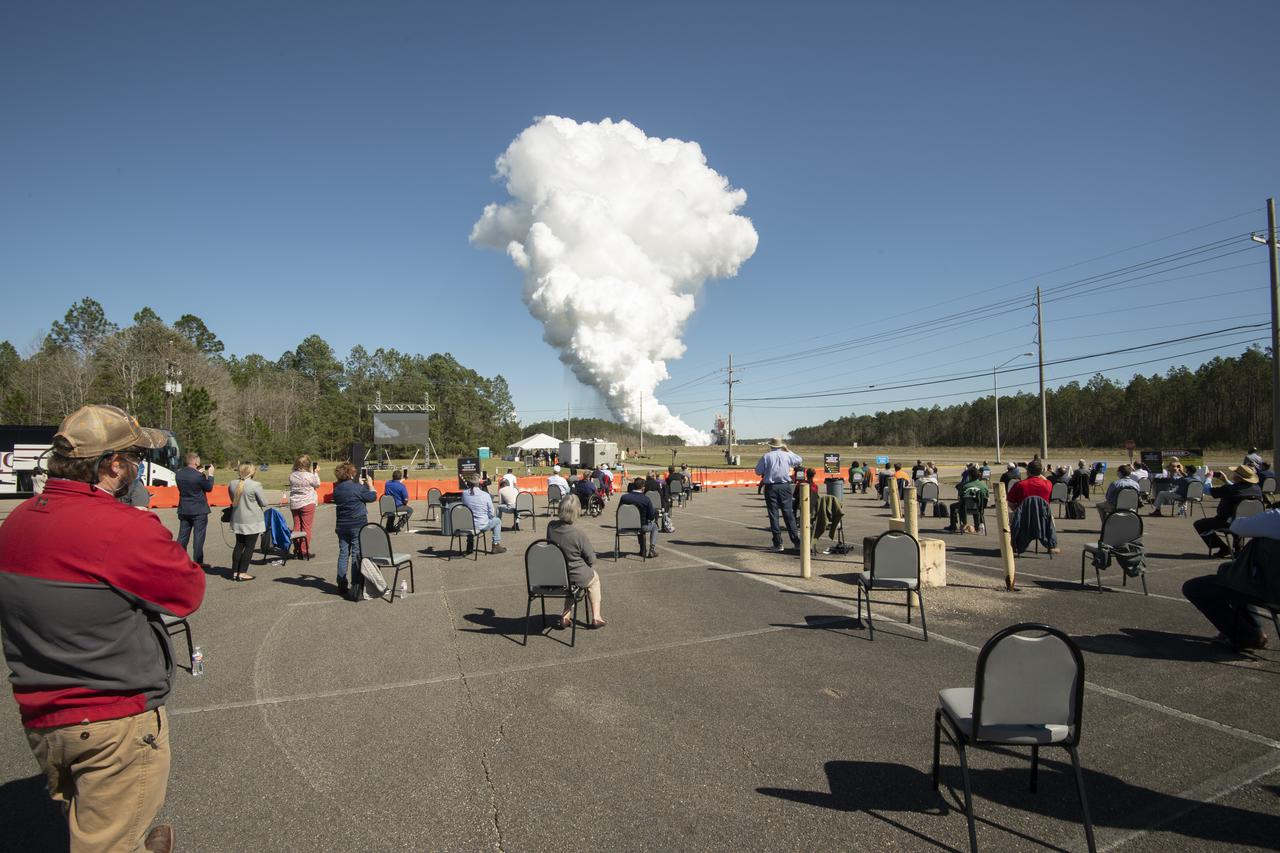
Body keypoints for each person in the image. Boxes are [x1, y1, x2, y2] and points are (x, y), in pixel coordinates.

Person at [0, 404, 204, 853]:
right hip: (112, 715)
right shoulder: (121, 526)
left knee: (85, 820)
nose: (134, 467)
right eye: (132, 458)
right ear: (113, 464)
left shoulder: (16, 523)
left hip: (42, 714)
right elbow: (187, 592)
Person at [1183, 507, 1280, 651]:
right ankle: (1253, 629)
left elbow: (1237, 527)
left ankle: (1247, 636)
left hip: (1269, 590)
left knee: (1193, 588)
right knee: (1227, 568)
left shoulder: (1275, 518)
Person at [546, 496, 604, 629]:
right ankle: (596, 616)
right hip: (575, 574)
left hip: (557, 574)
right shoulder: (578, 533)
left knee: (572, 582)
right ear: (576, 512)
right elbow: (591, 559)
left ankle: (566, 616)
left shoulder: (551, 527)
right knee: (593, 579)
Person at [1197, 465, 1263, 558]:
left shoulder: (1230, 489)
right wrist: (1226, 480)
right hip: (1251, 521)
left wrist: (1208, 478)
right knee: (1239, 517)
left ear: (1237, 476)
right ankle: (1238, 549)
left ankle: (1224, 548)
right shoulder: (1257, 489)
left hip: (1228, 522)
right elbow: (1240, 489)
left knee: (1200, 524)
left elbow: (1207, 490)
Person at [333, 462, 376, 596]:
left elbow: (352, 494)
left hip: (341, 525)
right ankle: (356, 585)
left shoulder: (337, 489)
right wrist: (370, 485)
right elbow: (372, 497)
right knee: (357, 554)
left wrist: (359, 485)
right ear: (351, 474)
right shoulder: (357, 488)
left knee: (343, 554)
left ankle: (341, 583)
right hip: (357, 524)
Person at [755, 437, 802, 553]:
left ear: (771, 446)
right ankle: (796, 542)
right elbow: (799, 460)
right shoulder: (787, 455)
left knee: (773, 515)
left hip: (771, 487)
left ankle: (778, 543)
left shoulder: (766, 456)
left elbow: (758, 471)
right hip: (785, 486)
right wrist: (788, 450)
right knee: (789, 514)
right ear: (781, 446)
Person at [228, 463, 268, 582]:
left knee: (239, 545)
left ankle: (235, 571)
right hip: (252, 520)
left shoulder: (232, 483)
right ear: (252, 472)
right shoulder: (255, 485)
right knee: (249, 547)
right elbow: (264, 502)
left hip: (237, 518)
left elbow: (233, 499)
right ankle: (243, 572)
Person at [175, 451, 215, 568]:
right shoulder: (198, 476)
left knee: (182, 536)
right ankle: (198, 561)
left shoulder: (179, 474)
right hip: (198, 510)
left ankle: (179, 560)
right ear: (196, 461)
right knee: (198, 536)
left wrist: (200, 474)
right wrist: (210, 475)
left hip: (184, 508)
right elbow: (208, 487)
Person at [462, 475, 506, 554]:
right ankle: (495, 544)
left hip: (468, 525)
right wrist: (489, 518)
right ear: (479, 483)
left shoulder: (464, 494)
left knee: (470, 519)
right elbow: (491, 512)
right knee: (498, 521)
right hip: (481, 525)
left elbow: (464, 508)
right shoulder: (485, 495)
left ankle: (470, 544)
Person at [288, 454, 321, 559]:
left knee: (297, 526)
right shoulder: (309, 475)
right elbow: (317, 484)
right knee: (306, 527)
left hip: (295, 503)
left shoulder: (292, 475)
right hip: (307, 502)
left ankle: (297, 549)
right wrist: (315, 473)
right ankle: (304, 550)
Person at [620, 477, 659, 557]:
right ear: (643, 488)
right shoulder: (645, 499)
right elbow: (651, 516)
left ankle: (642, 549)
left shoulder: (624, 497)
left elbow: (619, 511)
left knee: (639, 523)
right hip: (641, 526)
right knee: (654, 526)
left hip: (624, 525)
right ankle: (652, 549)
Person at [946, 464, 989, 533]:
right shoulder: (984, 485)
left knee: (952, 506)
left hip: (965, 507)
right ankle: (977, 527)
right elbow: (986, 496)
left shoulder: (965, 486)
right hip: (979, 507)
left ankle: (953, 526)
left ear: (970, 476)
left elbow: (960, 496)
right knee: (976, 502)